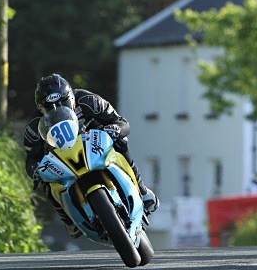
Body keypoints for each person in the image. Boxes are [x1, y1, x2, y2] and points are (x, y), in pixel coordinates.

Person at [23, 73, 159, 238]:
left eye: (63, 103)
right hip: (62, 159)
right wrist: (36, 169)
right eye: (49, 108)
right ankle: (67, 219)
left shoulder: (87, 100)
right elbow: (31, 158)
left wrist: (115, 129)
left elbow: (121, 121)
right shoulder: (34, 126)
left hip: (94, 143)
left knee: (121, 142)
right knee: (47, 182)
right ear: (40, 108)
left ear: (71, 97)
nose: (57, 110)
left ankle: (142, 189)